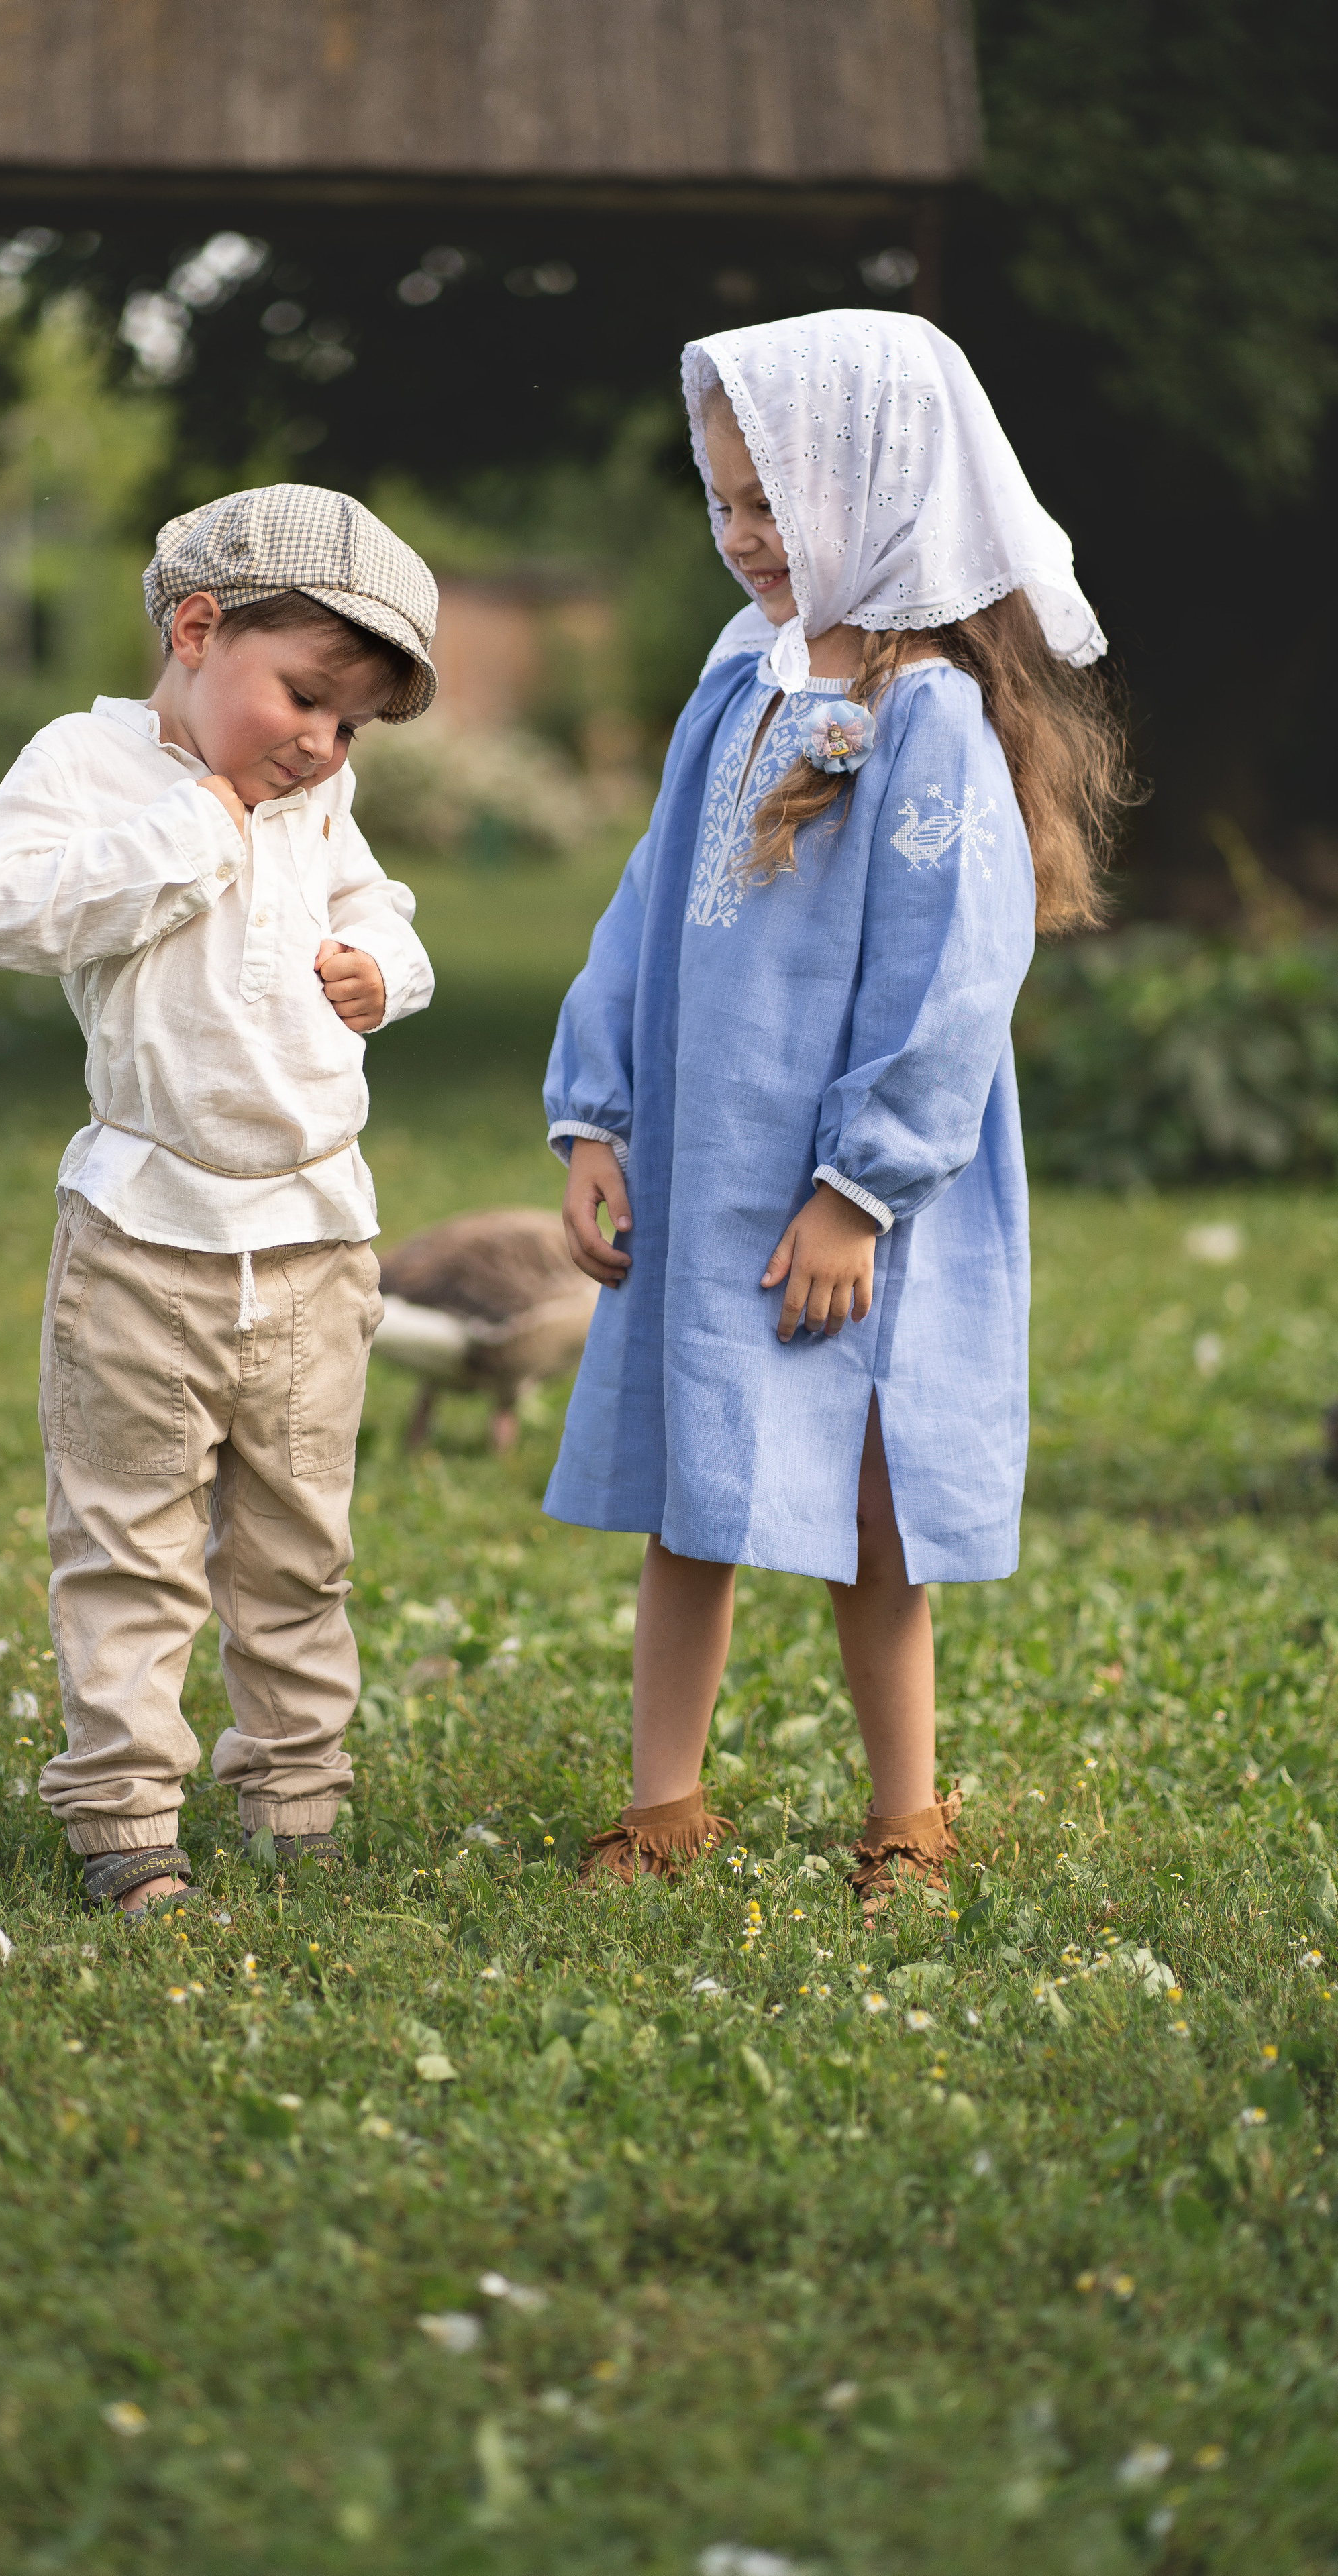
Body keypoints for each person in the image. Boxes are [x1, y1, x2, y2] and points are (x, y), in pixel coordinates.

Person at [544, 313, 1132, 1909]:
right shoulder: (735, 683)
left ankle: (906, 1815)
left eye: (772, 503)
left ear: (874, 490)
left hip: (847, 1212)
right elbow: (641, 906)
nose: (742, 537)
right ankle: (663, 1803)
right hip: (701, 1165)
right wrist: (595, 1116)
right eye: (722, 501)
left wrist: (855, 1189)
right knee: (693, 1488)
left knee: (869, 1512)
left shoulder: (930, 715)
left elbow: (952, 979)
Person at [0, 486, 438, 1915]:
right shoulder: (89, 770)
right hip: (142, 1242)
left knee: (299, 1548)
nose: (318, 745)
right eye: (303, 699)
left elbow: (378, 906)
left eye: (347, 726)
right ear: (195, 627)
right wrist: (197, 827)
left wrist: (381, 967)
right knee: (128, 1543)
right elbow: (2, 911)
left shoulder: (317, 798)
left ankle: (296, 1798)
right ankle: (121, 1819)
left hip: (308, 1243)